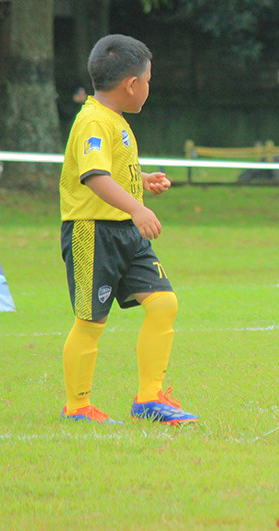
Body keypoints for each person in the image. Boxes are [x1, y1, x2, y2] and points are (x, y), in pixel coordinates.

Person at [59, 34, 197, 425]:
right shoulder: (92, 121)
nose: (149, 87)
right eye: (149, 79)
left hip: (125, 233)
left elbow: (113, 170)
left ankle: (150, 399)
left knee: (164, 303)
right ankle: (78, 406)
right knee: (90, 321)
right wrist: (137, 207)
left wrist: (142, 179)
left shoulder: (112, 120)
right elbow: (93, 175)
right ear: (132, 84)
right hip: (93, 231)